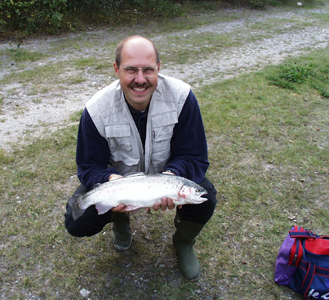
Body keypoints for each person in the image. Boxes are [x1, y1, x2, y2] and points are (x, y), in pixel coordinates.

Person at [64, 35, 217, 281]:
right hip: (118, 179)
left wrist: (171, 177)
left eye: (148, 70)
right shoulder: (96, 110)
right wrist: (112, 181)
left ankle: (184, 242)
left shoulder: (182, 97)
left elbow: (193, 156)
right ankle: (119, 218)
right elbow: (89, 166)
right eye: (130, 70)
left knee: (205, 197)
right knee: (77, 223)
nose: (140, 79)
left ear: (159, 68)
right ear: (116, 69)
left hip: (166, 175)